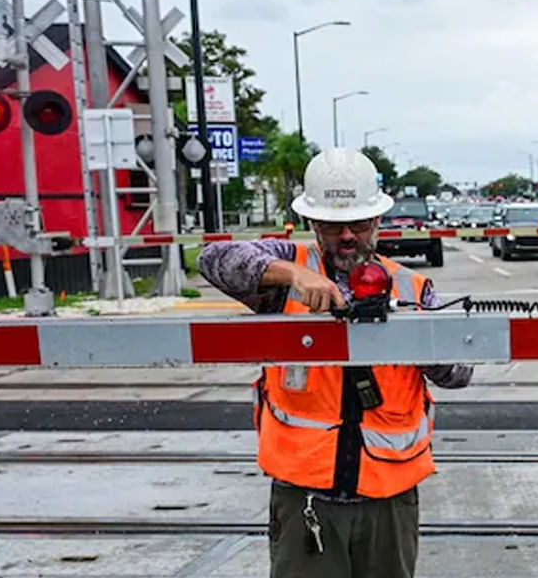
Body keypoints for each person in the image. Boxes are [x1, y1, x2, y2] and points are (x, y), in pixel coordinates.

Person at [199, 148, 472, 578]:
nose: (347, 236)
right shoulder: (287, 273)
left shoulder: (411, 287)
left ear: (378, 221)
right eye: (331, 225)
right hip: (306, 497)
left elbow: (460, 374)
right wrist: (293, 275)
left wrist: (414, 334)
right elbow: (212, 260)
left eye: (359, 224)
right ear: (312, 224)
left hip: (388, 498)